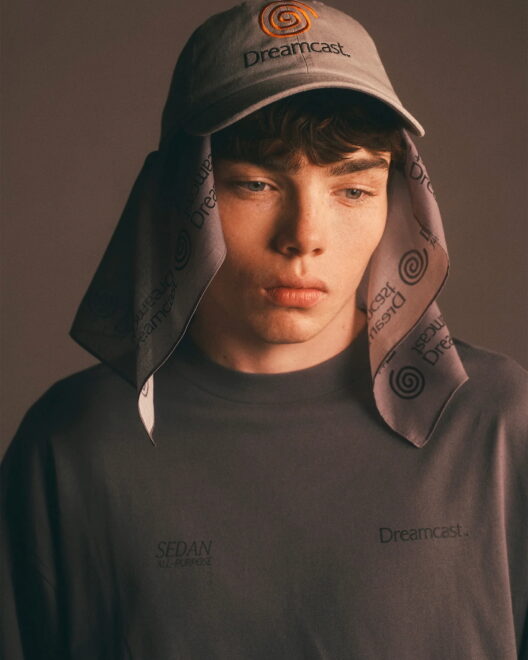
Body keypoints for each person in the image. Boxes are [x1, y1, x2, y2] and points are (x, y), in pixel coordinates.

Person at [1, 1, 527, 658]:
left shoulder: (498, 423)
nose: (305, 236)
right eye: (255, 184)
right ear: (179, 194)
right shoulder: (71, 445)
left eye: (353, 190)